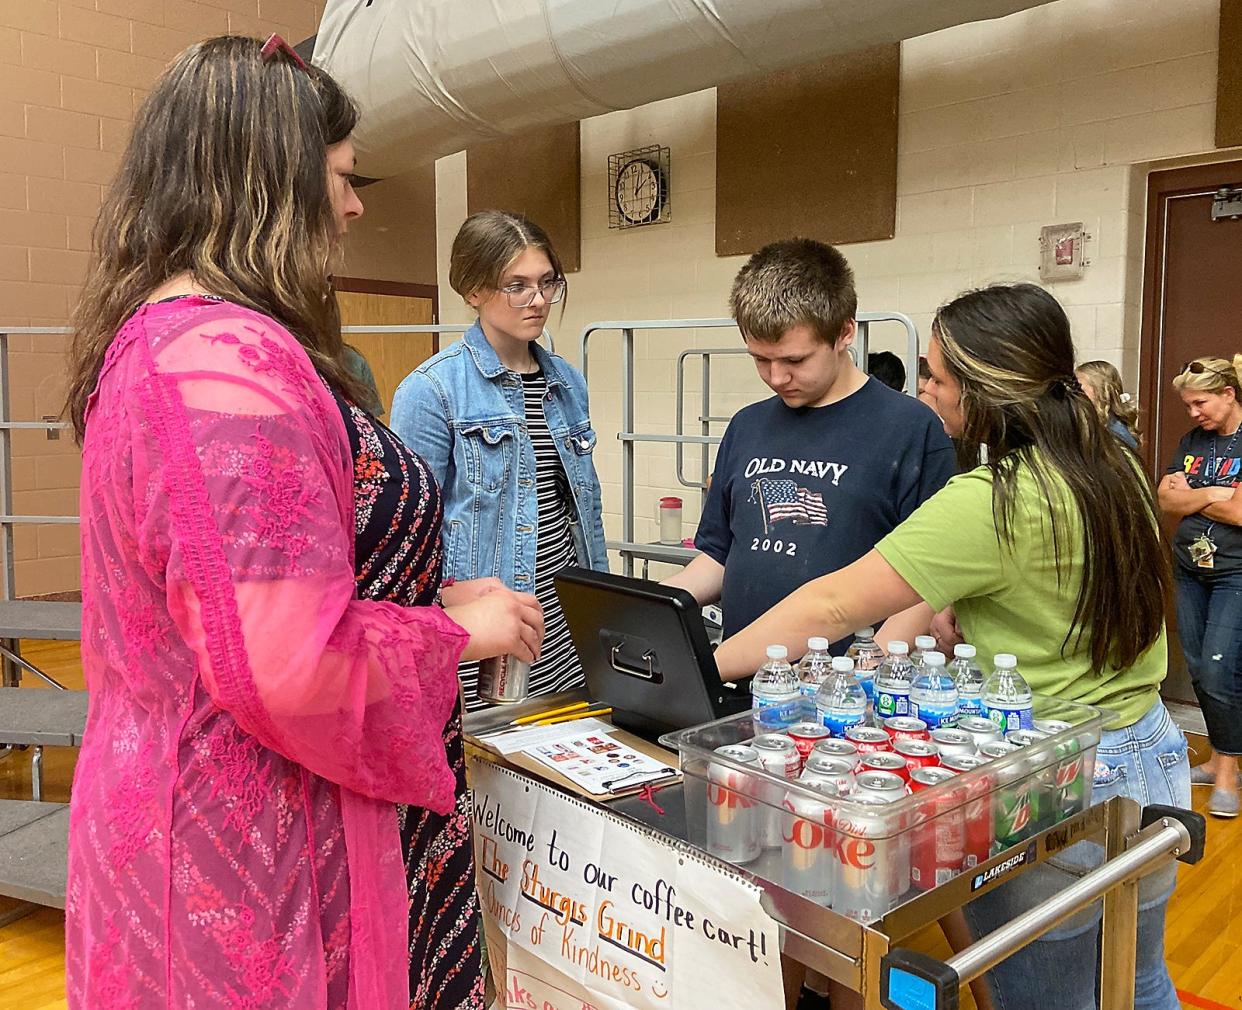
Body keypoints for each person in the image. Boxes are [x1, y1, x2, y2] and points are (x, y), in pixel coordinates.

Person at [63, 36, 542, 1010]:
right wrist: (456, 633)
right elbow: (288, 665)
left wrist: (431, 591)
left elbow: (248, 594)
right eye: (341, 177)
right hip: (245, 843)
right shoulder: (226, 365)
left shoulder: (172, 340)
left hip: (190, 806)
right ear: (269, 181)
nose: (357, 204)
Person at [712, 282, 1189, 1010]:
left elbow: (834, 601)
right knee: (1138, 975)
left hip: (1059, 778)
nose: (926, 390)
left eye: (936, 375)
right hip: (1149, 754)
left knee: (1043, 998)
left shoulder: (993, 498)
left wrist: (704, 662)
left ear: (983, 390)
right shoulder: (1109, 460)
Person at [664, 239, 955, 652]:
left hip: (847, 691)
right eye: (760, 360)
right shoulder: (747, 426)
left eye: (795, 361)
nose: (776, 377)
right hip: (744, 676)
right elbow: (717, 556)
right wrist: (654, 606)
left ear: (844, 332)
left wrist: (861, 677)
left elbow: (929, 582)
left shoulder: (911, 429)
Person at [391, 211, 608, 710]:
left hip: (567, 627)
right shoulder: (432, 390)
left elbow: (579, 512)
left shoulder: (567, 383)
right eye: (517, 285)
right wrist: (449, 604)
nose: (537, 300)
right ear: (472, 290)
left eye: (546, 282)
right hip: (491, 638)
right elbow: (406, 538)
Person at [1157, 355, 1242, 818]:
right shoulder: (1194, 441)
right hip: (1190, 568)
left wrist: (1192, 494)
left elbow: (1240, 514)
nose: (1193, 414)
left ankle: (1229, 770)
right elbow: (1165, 498)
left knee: (1218, 669)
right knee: (1196, 663)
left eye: (1200, 403)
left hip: (1236, 572)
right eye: (1189, 405)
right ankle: (1215, 758)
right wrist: (1214, 494)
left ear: (1228, 394)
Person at [1076, 358, 1140, 449]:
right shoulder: (1090, 425)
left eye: (1080, 389)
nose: (1075, 394)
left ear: (1100, 391)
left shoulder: (1117, 434)